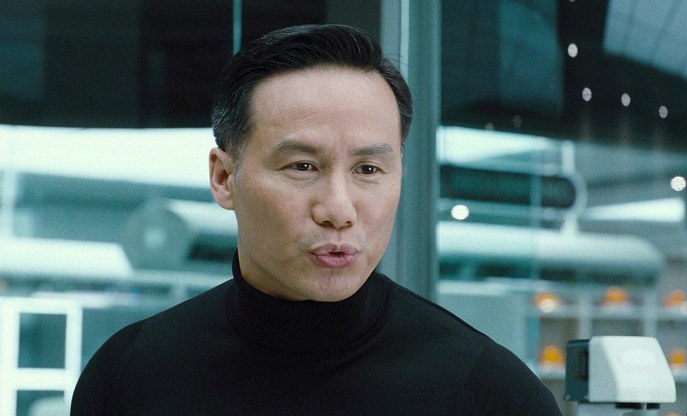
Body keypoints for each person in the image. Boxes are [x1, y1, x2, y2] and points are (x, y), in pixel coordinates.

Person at [70, 24, 562, 415]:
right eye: (302, 166)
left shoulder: (487, 392)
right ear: (223, 178)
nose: (339, 211)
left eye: (368, 170)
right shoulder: (130, 375)